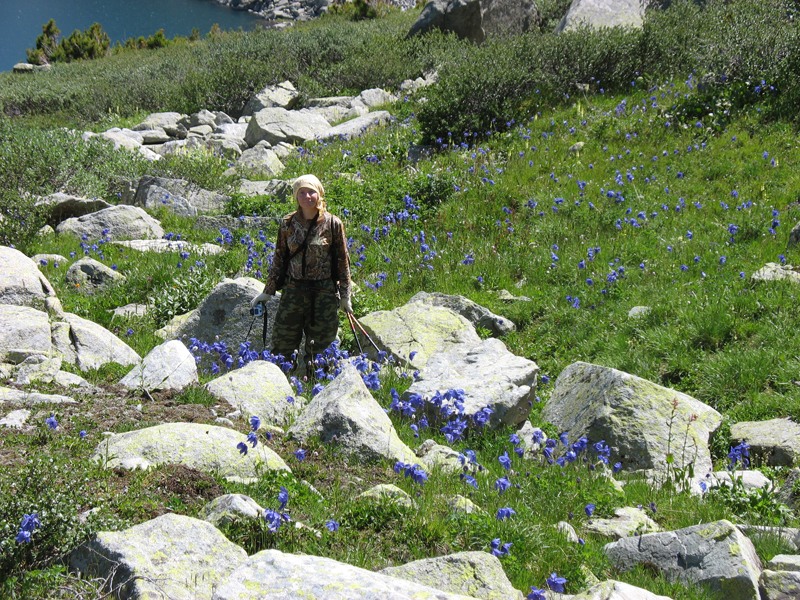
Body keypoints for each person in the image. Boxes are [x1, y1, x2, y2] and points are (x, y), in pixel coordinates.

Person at [250, 174, 352, 367]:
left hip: (323, 293)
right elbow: (279, 259)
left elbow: (342, 262)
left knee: (322, 349)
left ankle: (317, 381)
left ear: (319, 194)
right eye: (302, 192)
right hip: (293, 291)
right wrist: (267, 292)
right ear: (296, 196)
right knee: (282, 345)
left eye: (311, 192)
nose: (307, 197)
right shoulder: (287, 223)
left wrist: (345, 296)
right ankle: (282, 380)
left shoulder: (333, 224)